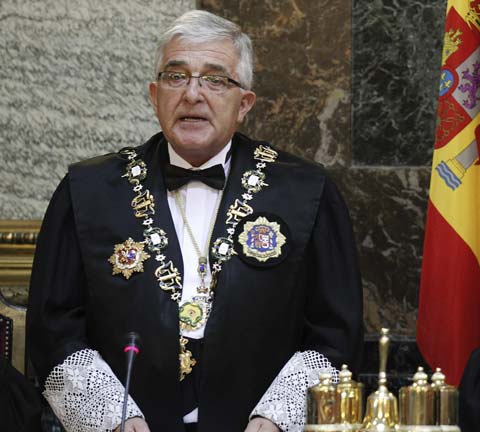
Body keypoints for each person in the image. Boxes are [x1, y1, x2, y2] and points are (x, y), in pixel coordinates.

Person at [27, 10, 363, 432]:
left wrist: (279, 418)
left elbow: (336, 332)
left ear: (244, 104)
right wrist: (112, 417)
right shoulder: (87, 191)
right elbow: (53, 327)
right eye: (176, 76)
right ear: (154, 96)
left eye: (215, 79)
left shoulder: (305, 192)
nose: (192, 94)